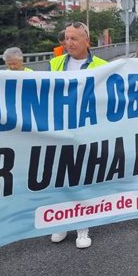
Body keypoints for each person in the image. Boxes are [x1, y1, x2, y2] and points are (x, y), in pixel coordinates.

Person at [47, 22, 107, 248]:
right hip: (60, 130)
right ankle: (61, 222)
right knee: (60, 177)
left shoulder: (102, 66)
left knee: (83, 178)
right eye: (66, 38)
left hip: (87, 131)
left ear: (87, 42)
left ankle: (83, 226)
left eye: (74, 39)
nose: (68, 43)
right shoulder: (55, 63)